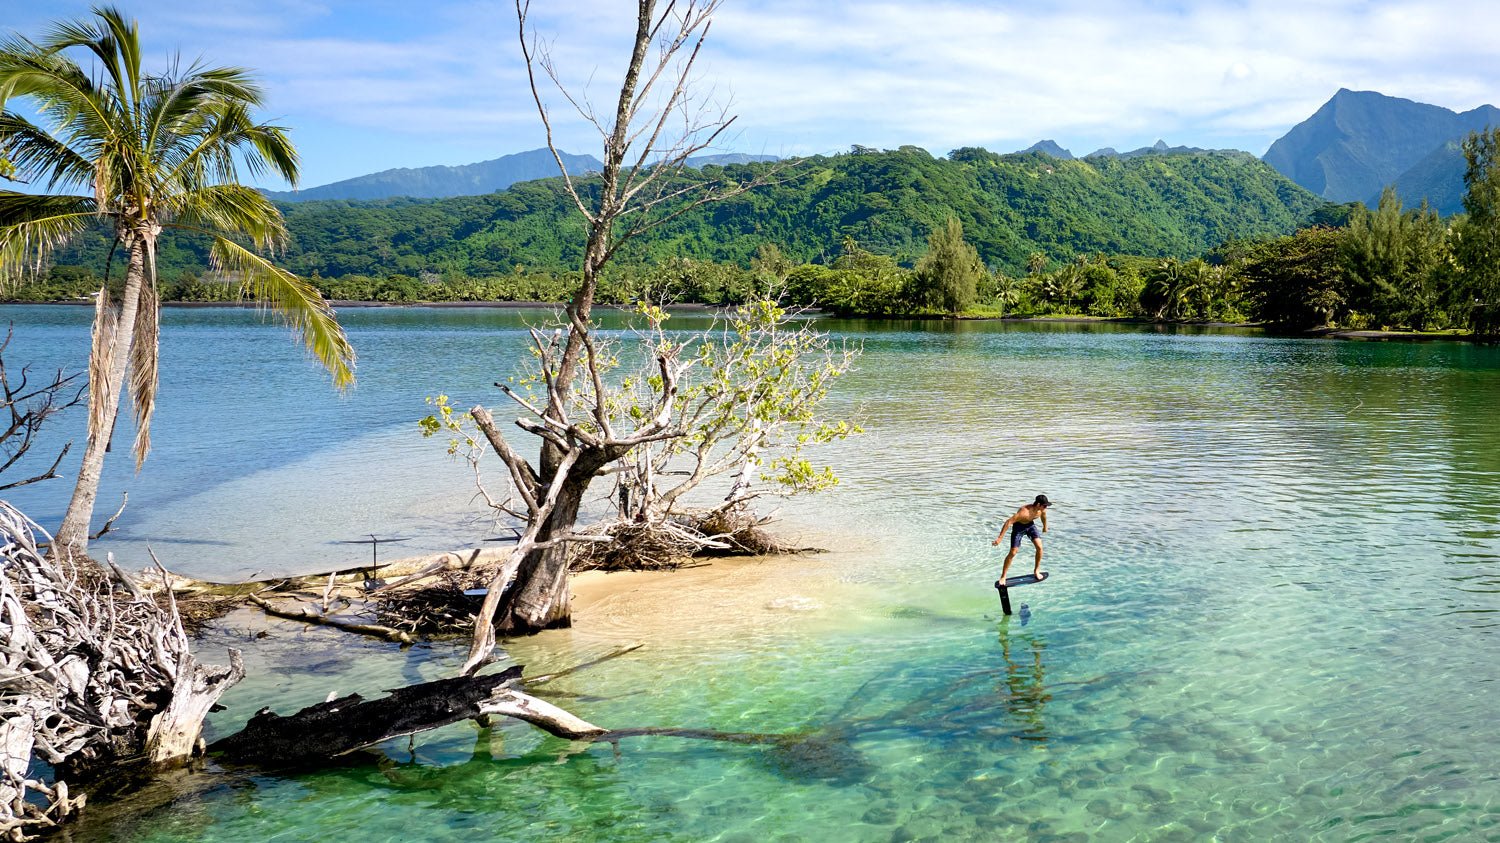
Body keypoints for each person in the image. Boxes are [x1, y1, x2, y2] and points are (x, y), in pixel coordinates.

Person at [992, 494, 1050, 583]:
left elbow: (1043, 516)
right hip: (1018, 527)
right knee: (1013, 552)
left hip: (1030, 526)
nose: (1046, 507)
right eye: (1044, 505)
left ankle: (1036, 570)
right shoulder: (1024, 512)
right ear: (1038, 504)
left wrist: (1045, 526)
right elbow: (1008, 522)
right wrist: (1000, 538)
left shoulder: (1042, 510)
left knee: (1039, 547)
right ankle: (1003, 576)